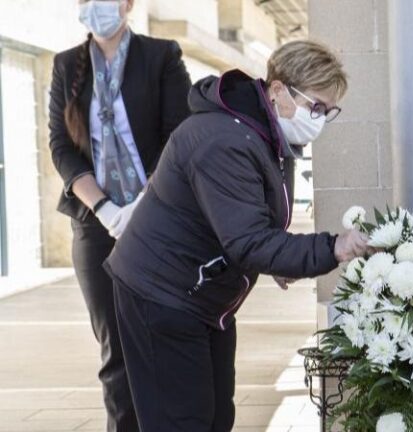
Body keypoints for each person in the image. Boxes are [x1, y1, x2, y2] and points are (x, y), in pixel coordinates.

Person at [104, 40, 369, 431]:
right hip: (162, 293)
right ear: (278, 90)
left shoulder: (263, 132)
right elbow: (248, 241)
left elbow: (251, 221)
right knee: (181, 420)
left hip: (202, 296)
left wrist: (280, 257)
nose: (319, 119)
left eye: (327, 112)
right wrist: (335, 246)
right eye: (315, 106)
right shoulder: (223, 139)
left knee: (214, 417)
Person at [47, 0, 191, 430]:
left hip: (156, 216)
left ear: (128, 4)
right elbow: (61, 146)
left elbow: (178, 135)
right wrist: (106, 208)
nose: (95, 6)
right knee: (115, 350)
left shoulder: (162, 56)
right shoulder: (65, 65)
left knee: (161, 339)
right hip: (96, 221)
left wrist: (141, 206)